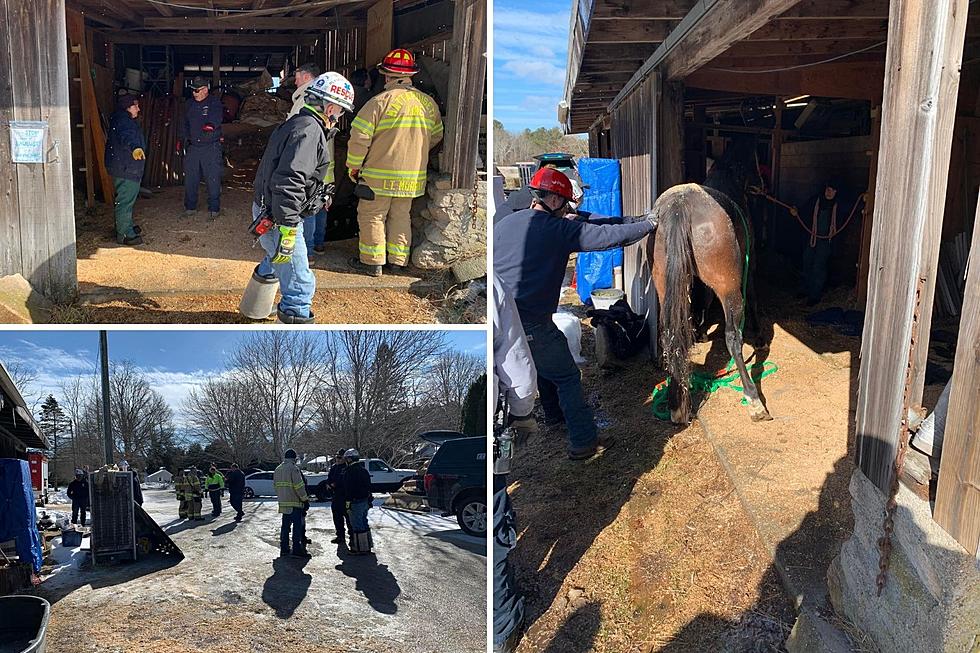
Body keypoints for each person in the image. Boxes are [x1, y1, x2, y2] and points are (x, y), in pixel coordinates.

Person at [494, 167, 657, 460]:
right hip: (531, 323)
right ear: (554, 201)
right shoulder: (557, 230)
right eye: (566, 204)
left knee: (539, 365)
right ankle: (583, 441)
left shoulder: (505, 224)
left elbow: (597, 223)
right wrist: (648, 225)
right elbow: (608, 237)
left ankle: (554, 416)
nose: (569, 210)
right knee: (568, 377)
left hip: (500, 318)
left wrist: (635, 220)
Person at [247, 71, 356, 324]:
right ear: (330, 107)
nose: (339, 116)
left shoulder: (298, 123)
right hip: (279, 216)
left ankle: (254, 306)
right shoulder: (309, 131)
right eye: (340, 111)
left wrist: (318, 194)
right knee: (299, 282)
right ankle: (295, 317)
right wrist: (287, 227)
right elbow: (289, 180)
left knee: (276, 259)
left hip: (272, 210)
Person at [346, 48, 443, 277]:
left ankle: (372, 262)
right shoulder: (428, 104)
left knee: (373, 216)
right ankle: (398, 262)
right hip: (412, 179)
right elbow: (437, 136)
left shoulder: (379, 102)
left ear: (387, 75)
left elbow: (359, 137)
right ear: (410, 75)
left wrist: (354, 166)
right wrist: (414, 154)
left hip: (377, 177)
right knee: (401, 216)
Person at [492, 275, 538, 653]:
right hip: (492, 439)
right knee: (495, 532)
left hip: (484, 439)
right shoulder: (493, 286)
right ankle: (501, 630)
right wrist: (524, 414)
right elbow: (516, 365)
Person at [288, 64, 330, 257]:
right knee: (320, 199)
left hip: (307, 158)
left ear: (306, 77)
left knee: (307, 202)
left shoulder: (306, 98)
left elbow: (297, 130)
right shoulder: (326, 95)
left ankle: (308, 250)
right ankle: (319, 243)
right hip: (324, 159)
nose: (295, 81)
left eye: (297, 77)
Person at [178, 76, 224, 220]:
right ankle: (190, 207)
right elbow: (184, 123)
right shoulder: (189, 104)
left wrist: (211, 124)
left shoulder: (214, 103)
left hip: (210, 146)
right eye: (192, 90)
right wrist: (182, 139)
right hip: (193, 147)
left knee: (212, 178)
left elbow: (217, 116)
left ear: (205, 90)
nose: (194, 93)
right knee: (191, 178)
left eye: (197, 90)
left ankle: (214, 208)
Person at [105, 94, 146, 246]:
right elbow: (127, 136)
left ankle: (124, 226)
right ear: (127, 107)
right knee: (125, 201)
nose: (138, 108)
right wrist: (135, 147)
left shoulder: (122, 118)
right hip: (126, 167)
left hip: (122, 165)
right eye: (135, 106)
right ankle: (124, 235)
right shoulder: (124, 121)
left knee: (125, 199)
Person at [799, 180, 841, 306]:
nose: (829, 192)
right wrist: (796, 212)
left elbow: (853, 207)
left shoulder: (838, 206)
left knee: (818, 266)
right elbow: (804, 211)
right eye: (828, 189)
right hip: (812, 238)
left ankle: (814, 295)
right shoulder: (816, 201)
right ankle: (804, 290)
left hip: (826, 242)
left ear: (836, 192)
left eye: (832, 190)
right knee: (806, 261)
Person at [274, 448, 310, 558]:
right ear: (294, 458)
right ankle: (296, 549)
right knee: (297, 528)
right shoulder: (294, 469)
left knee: (285, 527)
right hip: (295, 503)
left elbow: (276, 486)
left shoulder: (278, 469)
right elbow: (299, 486)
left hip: (284, 503)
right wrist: (305, 499)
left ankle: (284, 548)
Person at [341, 449, 373, 554]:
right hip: (364, 501)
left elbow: (348, 489)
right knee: (364, 523)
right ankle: (367, 546)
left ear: (350, 459)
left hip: (355, 502)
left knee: (357, 525)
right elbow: (369, 486)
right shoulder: (363, 470)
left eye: (346, 459)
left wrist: (347, 503)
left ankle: (359, 548)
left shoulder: (349, 472)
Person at [325, 448, 348, 546]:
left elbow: (344, 481)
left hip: (345, 497)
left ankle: (352, 537)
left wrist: (336, 484)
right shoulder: (334, 467)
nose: (337, 459)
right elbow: (329, 479)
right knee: (337, 518)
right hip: (335, 496)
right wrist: (329, 485)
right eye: (337, 457)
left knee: (348, 518)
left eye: (340, 457)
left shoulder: (347, 468)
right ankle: (340, 536)